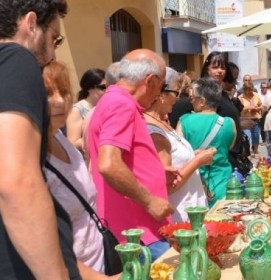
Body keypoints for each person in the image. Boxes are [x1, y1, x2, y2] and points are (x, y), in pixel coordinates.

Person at [0, 1, 80, 279]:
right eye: (55, 39)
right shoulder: (16, 58)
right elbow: (17, 182)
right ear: (30, 23)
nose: (52, 54)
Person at [88, 49, 180, 261]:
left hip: (133, 230)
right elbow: (108, 164)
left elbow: (118, 158)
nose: (160, 93)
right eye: (162, 85)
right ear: (150, 80)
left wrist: (155, 170)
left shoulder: (113, 100)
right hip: (139, 232)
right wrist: (149, 201)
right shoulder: (122, 104)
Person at [43, 61, 119, 279]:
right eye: (48, 92)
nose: (59, 100)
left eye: (64, 91)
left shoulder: (60, 137)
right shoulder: (28, 158)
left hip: (99, 262)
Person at [145, 67, 216, 222]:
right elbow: (169, 186)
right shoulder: (154, 132)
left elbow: (176, 160)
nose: (177, 99)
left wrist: (193, 155)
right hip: (180, 216)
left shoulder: (162, 122)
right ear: (162, 95)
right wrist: (198, 162)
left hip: (191, 211)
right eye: (176, 92)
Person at [178, 78, 236, 207]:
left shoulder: (184, 121)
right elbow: (230, 146)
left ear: (202, 101)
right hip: (223, 183)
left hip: (196, 186)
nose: (190, 101)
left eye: (192, 98)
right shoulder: (229, 122)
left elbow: (180, 153)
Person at [67, 68, 106, 153]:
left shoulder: (106, 106)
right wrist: (98, 138)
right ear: (90, 88)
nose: (106, 90)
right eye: (103, 87)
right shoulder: (77, 110)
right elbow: (72, 142)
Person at [239, 82, 263, 157]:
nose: (250, 91)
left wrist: (257, 108)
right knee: (247, 136)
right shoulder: (240, 97)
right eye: (248, 90)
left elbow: (261, 105)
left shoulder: (255, 95)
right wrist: (248, 108)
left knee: (256, 136)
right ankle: (247, 152)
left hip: (255, 119)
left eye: (251, 89)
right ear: (244, 90)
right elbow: (239, 109)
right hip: (245, 120)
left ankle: (255, 151)